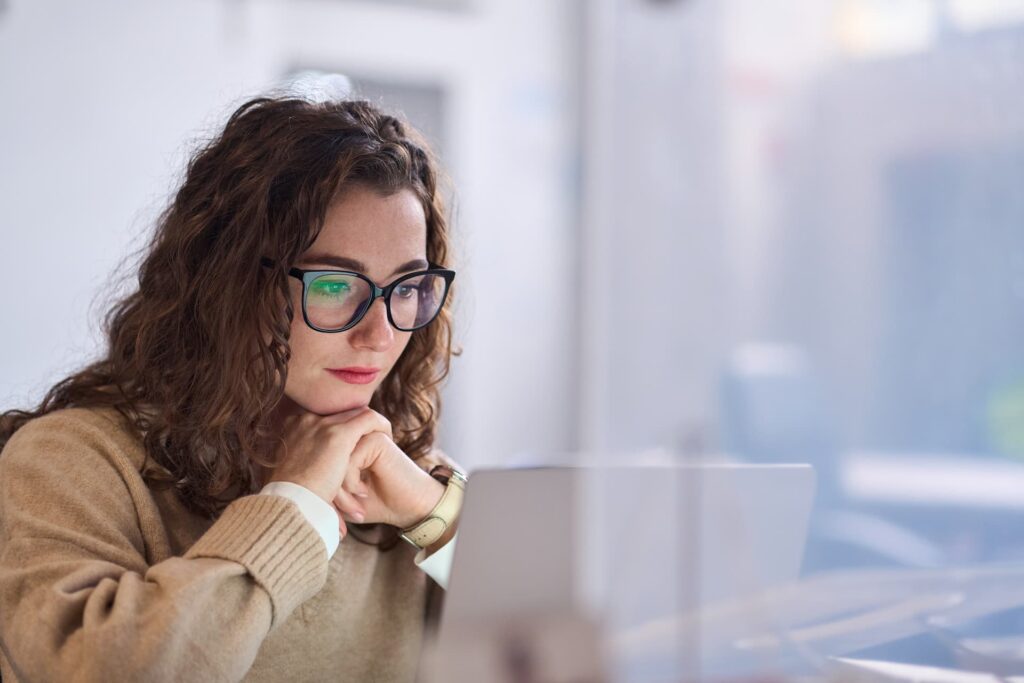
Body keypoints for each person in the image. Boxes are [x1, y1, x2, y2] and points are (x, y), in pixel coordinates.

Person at [0, 89, 465, 682]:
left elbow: (565, 640)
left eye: (406, 288)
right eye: (332, 285)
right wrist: (294, 507)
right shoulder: (71, 463)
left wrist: (436, 514)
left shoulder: (399, 477)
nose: (379, 334)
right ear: (232, 285)